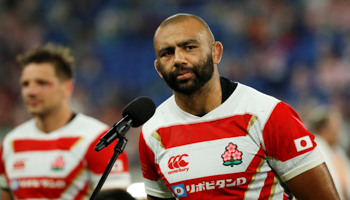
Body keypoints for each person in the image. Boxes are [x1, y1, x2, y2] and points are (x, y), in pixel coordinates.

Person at [138, 13, 341, 200]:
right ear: (158, 68)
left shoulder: (269, 115)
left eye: (189, 47)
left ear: (216, 52)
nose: (178, 59)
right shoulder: (152, 131)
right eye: (167, 53)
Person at [0, 43, 131, 200]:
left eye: (42, 83)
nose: (31, 92)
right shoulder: (11, 143)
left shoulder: (100, 140)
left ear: (67, 87)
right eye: (25, 84)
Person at [307, 105, 350, 200]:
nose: (339, 131)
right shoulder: (313, 150)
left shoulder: (338, 151)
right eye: (336, 126)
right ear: (322, 128)